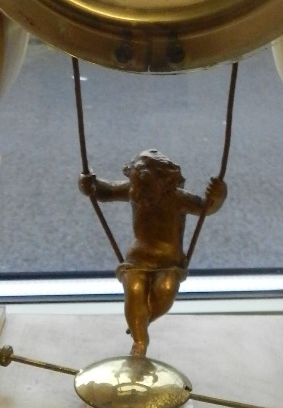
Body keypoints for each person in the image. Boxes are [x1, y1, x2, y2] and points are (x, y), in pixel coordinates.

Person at [79, 149, 227, 356]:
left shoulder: (177, 198)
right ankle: (139, 342)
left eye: (143, 183)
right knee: (135, 289)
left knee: (166, 290)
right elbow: (105, 191)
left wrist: (218, 196)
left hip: (169, 261)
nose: (135, 190)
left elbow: (205, 208)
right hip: (137, 258)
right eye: (134, 182)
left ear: (163, 182)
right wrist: (89, 184)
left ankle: (141, 321)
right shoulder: (135, 191)